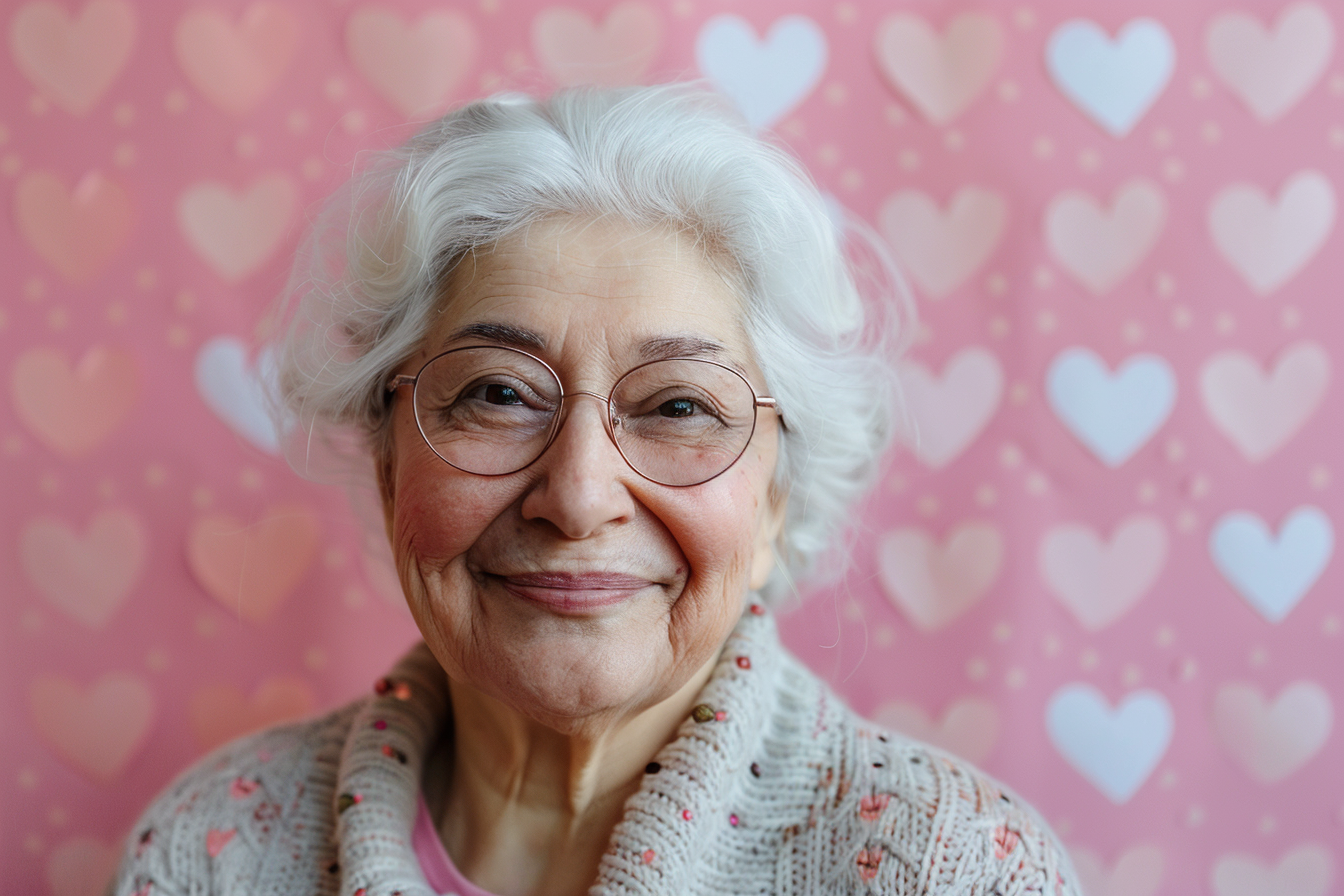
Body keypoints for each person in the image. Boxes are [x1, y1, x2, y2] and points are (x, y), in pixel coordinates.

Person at [111, 86, 1079, 896]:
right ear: (388, 458)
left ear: (779, 495)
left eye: (679, 407)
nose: (577, 497)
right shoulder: (217, 853)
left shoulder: (954, 867)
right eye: (497, 392)